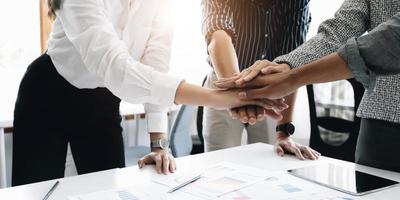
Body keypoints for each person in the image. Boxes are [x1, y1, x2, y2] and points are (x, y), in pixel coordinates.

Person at [11, 0, 285, 186]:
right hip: (47, 95)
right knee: (35, 191)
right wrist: (220, 97)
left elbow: (155, 66)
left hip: (102, 100)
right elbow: (117, 68)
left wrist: (159, 145)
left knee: (106, 191)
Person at [216, 7, 400, 172]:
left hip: (266, 88)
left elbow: (392, 39)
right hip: (379, 119)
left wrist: (292, 78)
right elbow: (339, 30)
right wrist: (287, 66)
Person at [201, 0, 319, 160]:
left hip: (271, 89)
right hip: (224, 84)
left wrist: (284, 131)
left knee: (271, 164)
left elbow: (291, 63)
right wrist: (239, 93)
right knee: (219, 162)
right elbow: (218, 37)